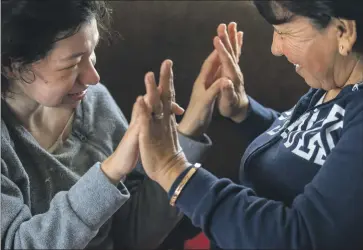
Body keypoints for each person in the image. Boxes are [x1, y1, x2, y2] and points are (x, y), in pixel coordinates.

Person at [1, 1, 231, 249]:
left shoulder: (93, 100)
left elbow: (132, 235)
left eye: (92, 53)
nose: (93, 77)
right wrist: (109, 172)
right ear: (11, 66)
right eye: (72, 64)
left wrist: (190, 128)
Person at [134, 0, 363, 249]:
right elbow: (314, 151)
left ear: (344, 32)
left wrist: (174, 170)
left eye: (285, 32)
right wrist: (244, 111)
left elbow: (301, 237)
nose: (276, 48)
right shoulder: (334, 84)